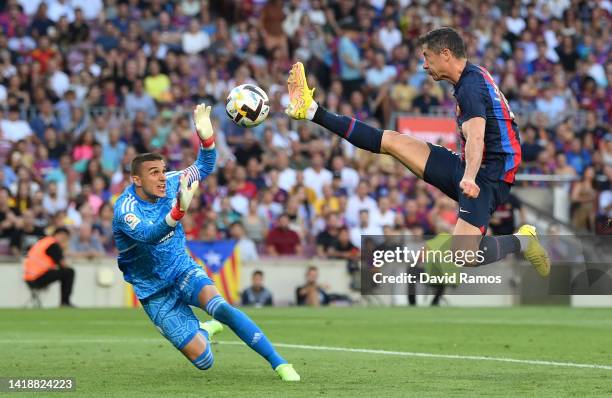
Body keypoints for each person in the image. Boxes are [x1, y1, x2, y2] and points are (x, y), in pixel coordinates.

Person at [285, 27, 550, 276]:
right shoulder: (471, 77)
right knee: (391, 141)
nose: (424, 64)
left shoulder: (470, 87)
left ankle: (523, 241)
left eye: (427, 56)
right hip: (470, 167)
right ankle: (311, 110)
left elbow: (477, 137)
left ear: (445, 54)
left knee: (463, 256)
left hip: (487, 177)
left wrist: (469, 177)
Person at [112, 104, 299, 381]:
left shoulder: (173, 182)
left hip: (181, 269)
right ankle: (204, 330)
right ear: (136, 179)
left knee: (222, 307)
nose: (162, 177)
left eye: (163, 170)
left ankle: (280, 363)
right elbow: (149, 236)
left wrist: (206, 137)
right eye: (154, 173)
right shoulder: (125, 209)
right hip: (153, 291)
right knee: (204, 361)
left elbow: (205, 165)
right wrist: (177, 213)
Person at [23, 227, 75, 307]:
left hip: (29, 277)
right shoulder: (53, 244)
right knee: (69, 272)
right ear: (59, 235)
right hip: (37, 277)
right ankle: (65, 302)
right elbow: (63, 264)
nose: (64, 241)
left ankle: (64, 302)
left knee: (65, 272)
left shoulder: (45, 242)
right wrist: (65, 248)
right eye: (65, 238)